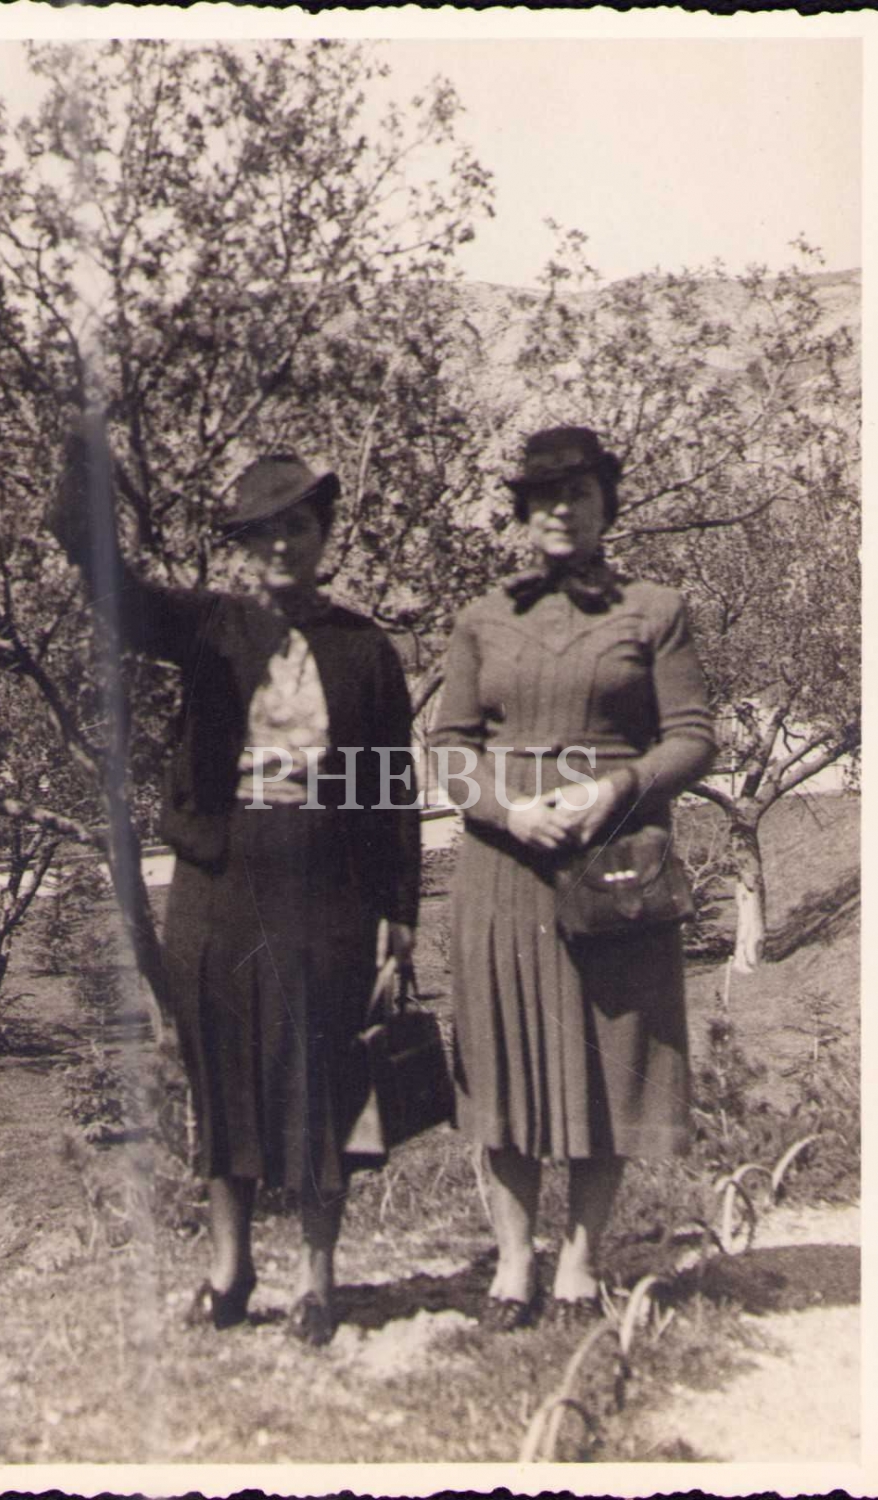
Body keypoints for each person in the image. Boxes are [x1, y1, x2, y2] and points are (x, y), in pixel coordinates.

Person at [48, 420, 420, 1346]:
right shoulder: (211, 628)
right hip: (219, 884)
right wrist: (83, 488)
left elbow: (390, 793)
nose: (283, 544)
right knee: (224, 1074)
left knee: (322, 1078)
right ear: (246, 547)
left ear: (324, 533)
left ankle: (318, 1280)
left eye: (298, 526)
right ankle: (230, 1271)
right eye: (265, 532)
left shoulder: (366, 651)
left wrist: (399, 913)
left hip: (327, 886)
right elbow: (121, 594)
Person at [430, 425, 716, 1330]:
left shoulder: (654, 609)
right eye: (543, 495)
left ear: (605, 505)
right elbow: (449, 749)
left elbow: (693, 737)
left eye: (578, 493)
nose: (560, 509)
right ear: (522, 511)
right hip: (504, 867)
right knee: (505, 1058)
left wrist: (621, 787)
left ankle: (580, 1264)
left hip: (613, 863)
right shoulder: (480, 617)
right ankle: (514, 1264)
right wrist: (509, 811)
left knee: (608, 1059)